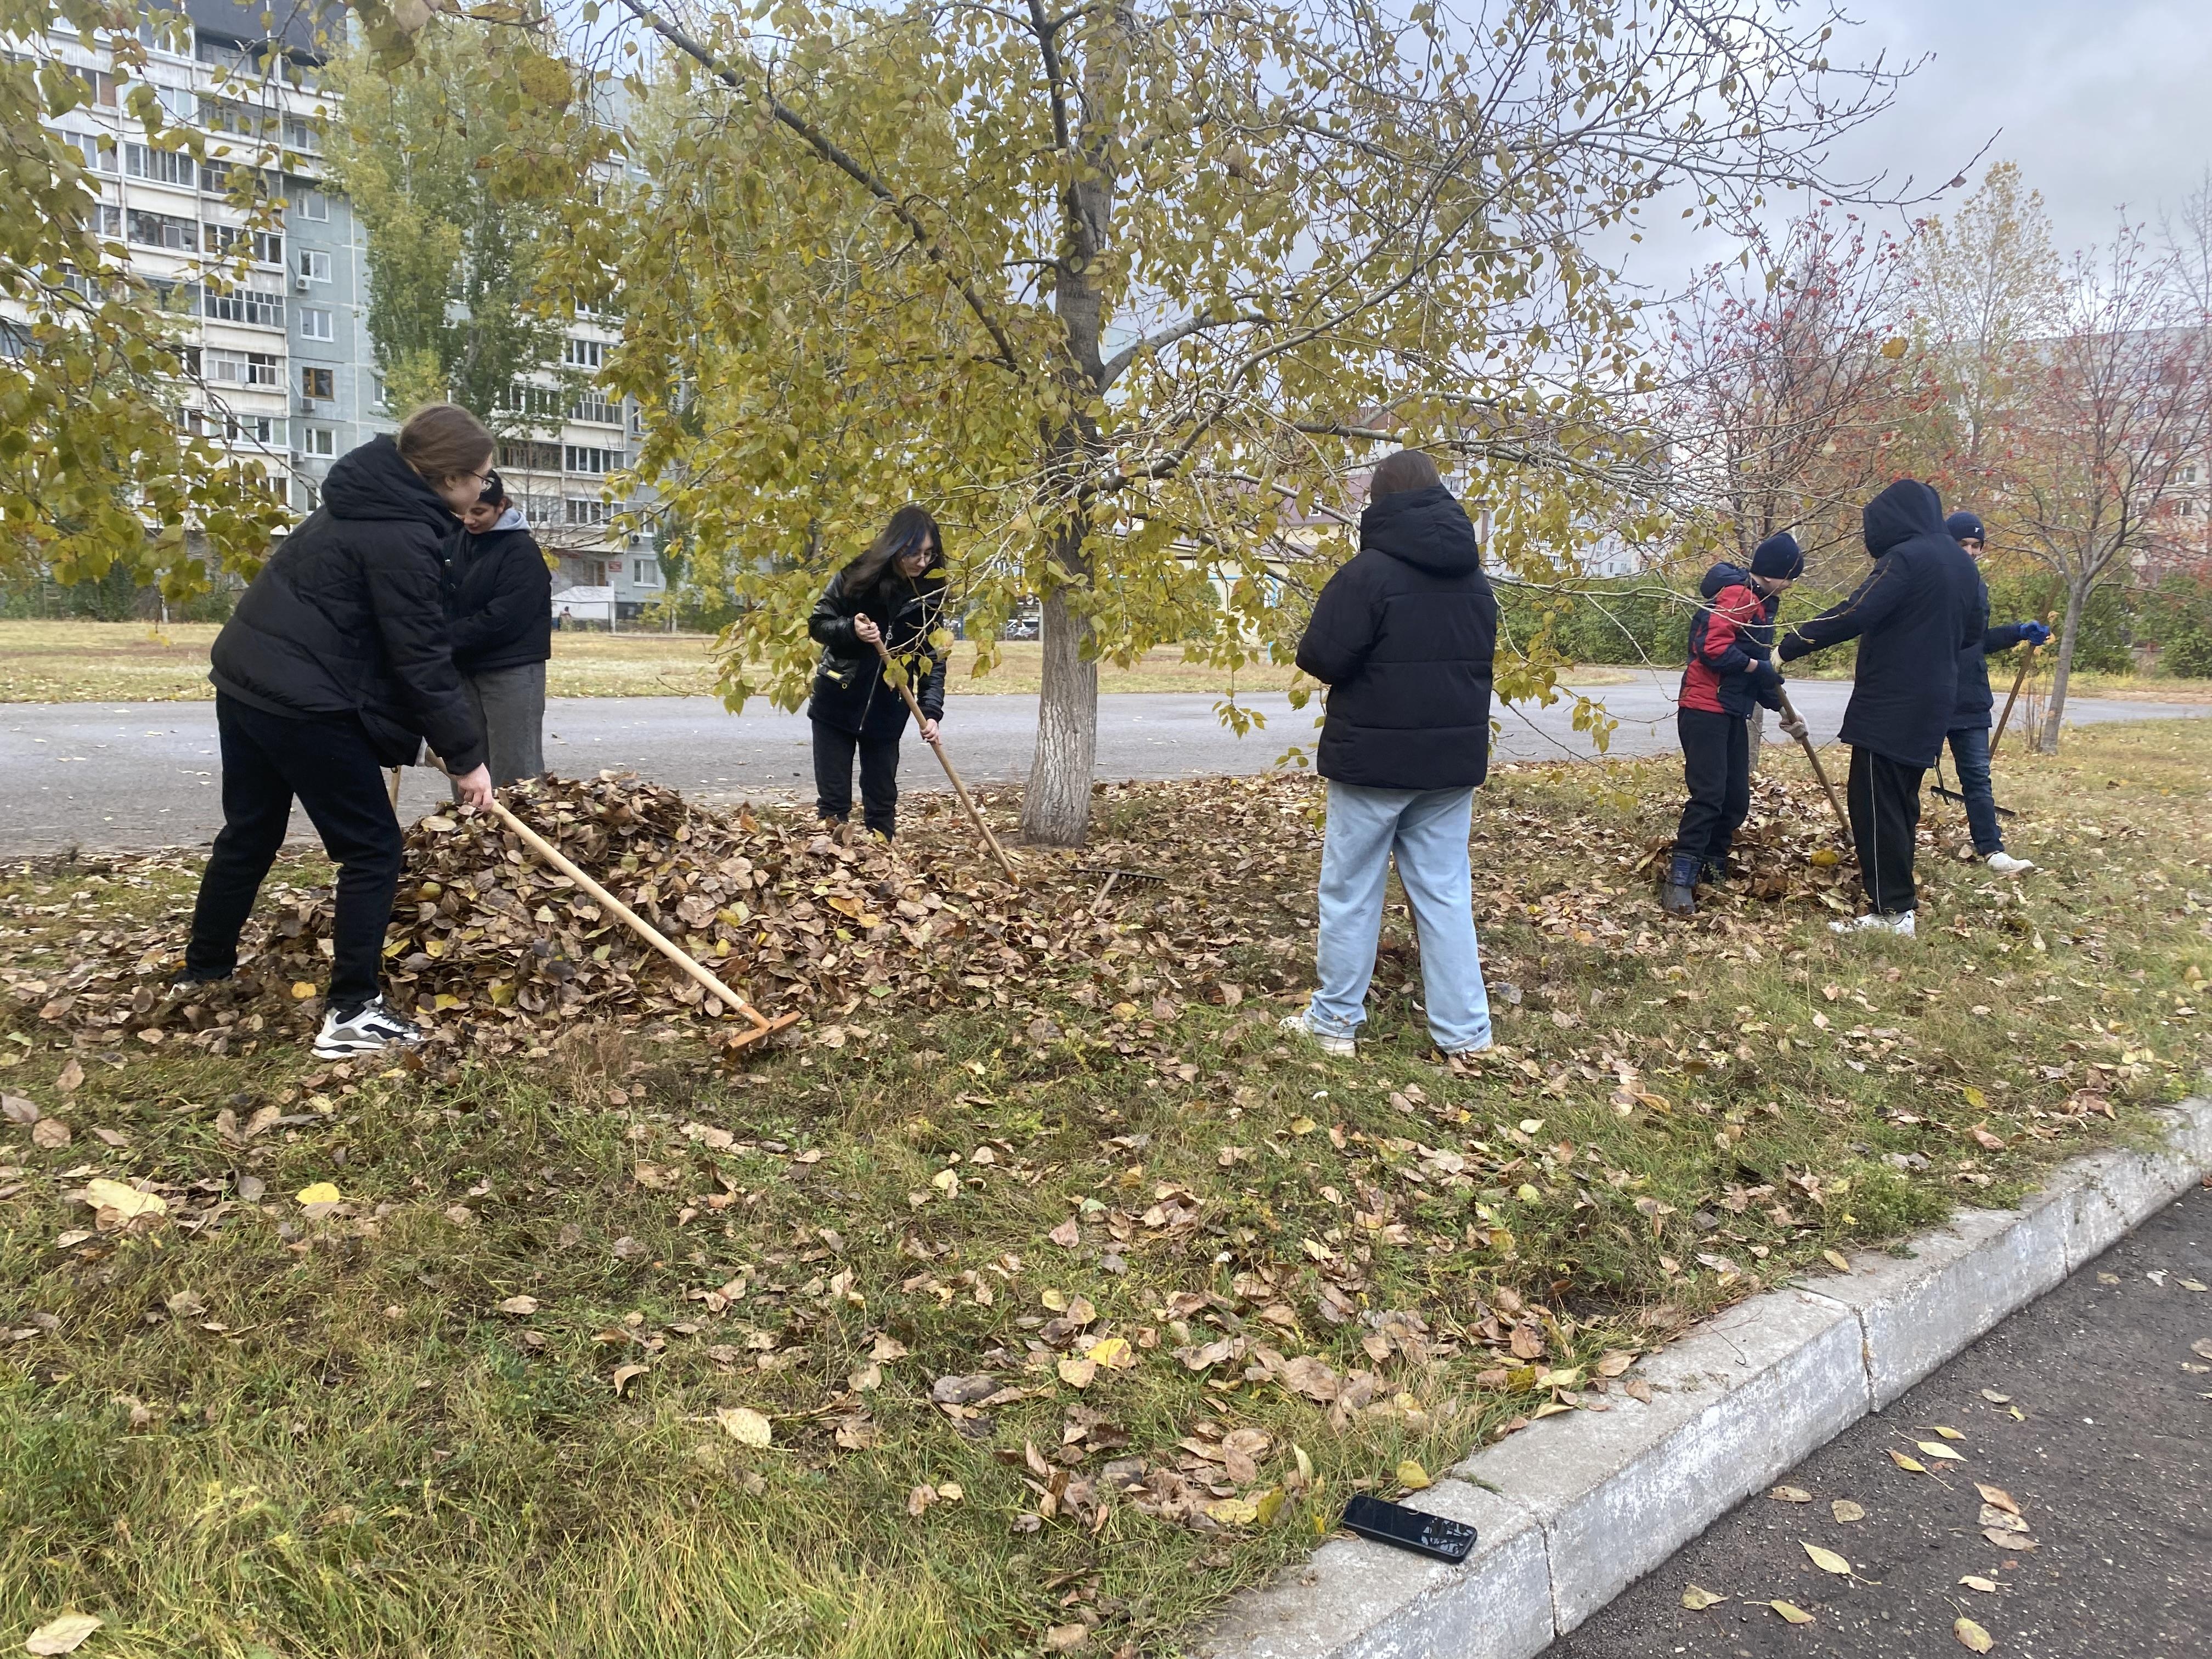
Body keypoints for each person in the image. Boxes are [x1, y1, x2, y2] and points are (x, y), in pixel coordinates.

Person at [178, 404, 495, 1057]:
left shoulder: (359, 497)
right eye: (481, 480)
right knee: (372, 849)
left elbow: (362, 636)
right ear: (450, 479)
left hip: (246, 680)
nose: (484, 492)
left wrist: (409, 734)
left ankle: (203, 971)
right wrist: (468, 758)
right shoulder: (402, 534)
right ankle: (352, 1012)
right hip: (300, 701)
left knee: (250, 831)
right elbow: (420, 656)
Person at [1282, 449, 1498, 1060]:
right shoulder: (1475, 579)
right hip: (1450, 767)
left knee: (1351, 892)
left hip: (1372, 763)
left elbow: (1321, 658)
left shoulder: (1367, 575)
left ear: (1378, 504)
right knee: (1446, 894)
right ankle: (1466, 1035)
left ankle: (1333, 1026)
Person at [1774, 477, 1982, 936]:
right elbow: (1972, 633)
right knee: (1901, 801)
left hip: (1891, 702)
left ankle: (1890, 912)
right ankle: (1898, 902)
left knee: (1873, 802)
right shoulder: (1963, 565)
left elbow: (1857, 611)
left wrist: (1789, 647)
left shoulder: (1906, 558)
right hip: (1934, 701)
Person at [1660, 531, 1808, 917]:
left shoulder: (1762, 603)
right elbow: (1711, 648)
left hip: (1730, 709)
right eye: (1792, 576)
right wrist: (1757, 667)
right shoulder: (1739, 595)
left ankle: (1713, 865)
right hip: (1704, 706)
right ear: (1776, 572)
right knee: (1709, 795)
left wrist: (1785, 711)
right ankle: (1680, 879)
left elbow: (1754, 673)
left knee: (1735, 795)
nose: (1793, 585)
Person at [805, 504, 949, 839]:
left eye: (930, 554)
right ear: (895, 545)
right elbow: (818, 623)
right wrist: (850, 630)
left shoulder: (930, 597)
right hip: (836, 704)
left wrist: (931, 713)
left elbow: (933, 660)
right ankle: (831, 874)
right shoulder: (855, 577)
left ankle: (883, 872)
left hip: (889, 710)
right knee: (833, 806)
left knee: (882, 804)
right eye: (914, 553)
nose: (922, 562)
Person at [1943, 510, 2048, 875]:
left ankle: (1993, 851)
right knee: (1906, 776)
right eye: (1962, 545)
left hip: (1969, 697)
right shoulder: (1928, 583)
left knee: (1977, 777)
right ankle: (1895, 845)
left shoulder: (1979, 588)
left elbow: (1977, 642)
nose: (1970, 552)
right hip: (1928, 695)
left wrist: (2019, 631)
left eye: (1976, 546)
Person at [448, 471, 552, 787]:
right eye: (464, 511)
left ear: (501, 506)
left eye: (478, 512)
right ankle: (472, 833)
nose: (468, 520)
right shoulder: (456, 543)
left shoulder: (521, 551)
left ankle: (524, 831)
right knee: (468, 759)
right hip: (465, 666)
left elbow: (504, 619)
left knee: (516, 767)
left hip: (513, 669)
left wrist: (442, 639)